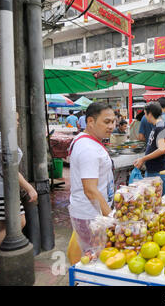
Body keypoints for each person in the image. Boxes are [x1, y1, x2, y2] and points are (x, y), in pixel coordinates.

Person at [0, 108, 38, 275]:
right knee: (17, 223)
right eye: (14, 120)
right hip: (0, 191)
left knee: (2, 226)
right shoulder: (0, 138)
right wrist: (28, 187)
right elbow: (12, 169)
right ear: (4, 122)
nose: (17, 123)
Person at [68, 103, 116, 257]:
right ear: (90, 121)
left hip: (93, 214)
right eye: (107, 122)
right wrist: (111, 219)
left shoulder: (89, 141)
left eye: (113, 121)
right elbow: (90, 190)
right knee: (92, 261)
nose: (112, 126)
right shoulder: (88, 148)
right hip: (90, 217)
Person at [134, 102, 165, 195]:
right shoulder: (156, 127)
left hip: (158, 172)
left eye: (145, 114)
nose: (145, 116)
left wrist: (143, 158)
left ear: (150, 114)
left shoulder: (161, 127)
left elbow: (162, 149)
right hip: (153, 171)